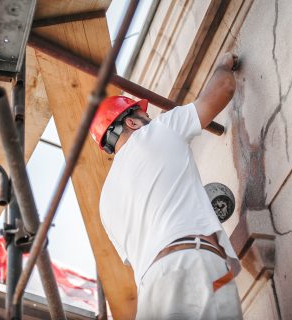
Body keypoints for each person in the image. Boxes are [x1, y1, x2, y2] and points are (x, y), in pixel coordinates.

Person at [90, 52, 243, 319]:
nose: (149, 118)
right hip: (193, 265)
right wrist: (223, 64)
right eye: (142, 114)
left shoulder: (105, 203)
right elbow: (223, 89)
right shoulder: (157, 131)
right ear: (131, 121)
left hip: (151, 296)